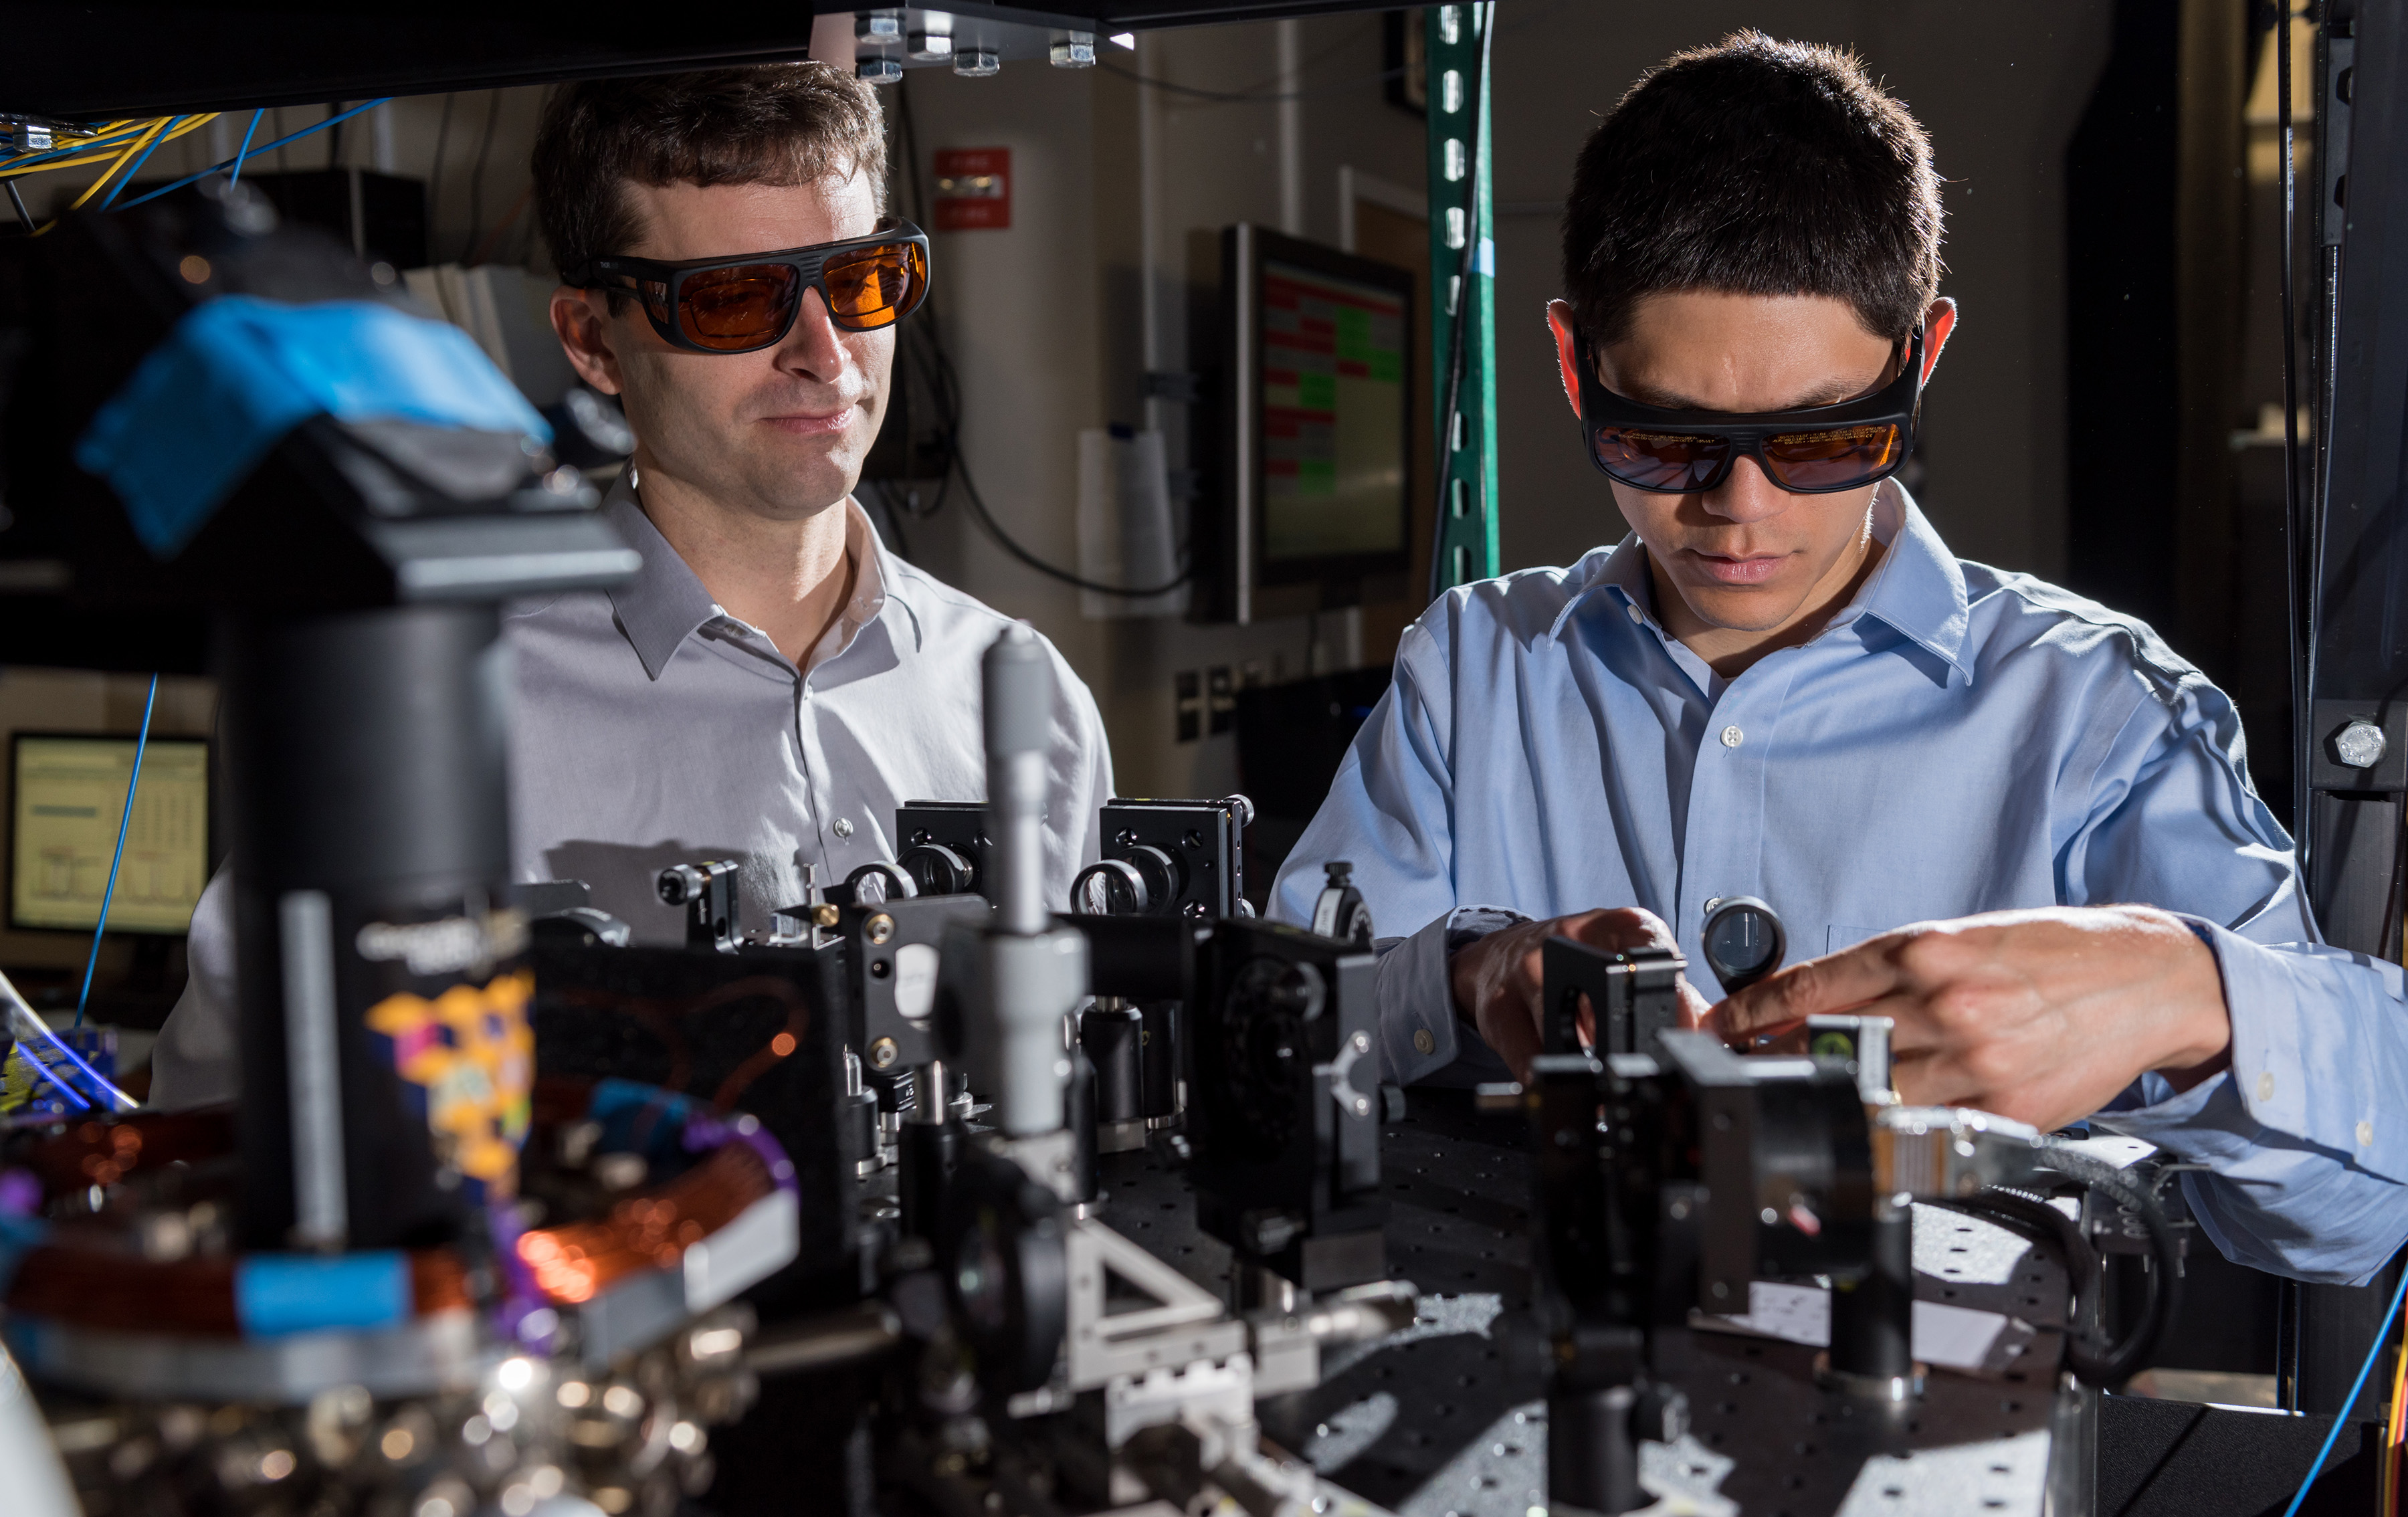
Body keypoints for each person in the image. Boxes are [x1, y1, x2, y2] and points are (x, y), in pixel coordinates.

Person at [1270, 31, 2408, 1286]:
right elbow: (1274, 1043)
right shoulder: (1477, 671)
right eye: (1664, 439)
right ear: (1571, 366)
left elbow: (2345, 1232)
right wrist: (1465, 970)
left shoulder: (2098, 713)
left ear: (1919, 361)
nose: (1740, 508)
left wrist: (2194, 1000)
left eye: (1821, 442)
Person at [151, 64, 1113, 1105]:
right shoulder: (435, 712)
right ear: (593, 341)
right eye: (737, 298)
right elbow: (219, 1130)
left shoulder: (1020, 695)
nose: (825, 355)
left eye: (858, 279)